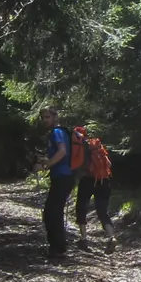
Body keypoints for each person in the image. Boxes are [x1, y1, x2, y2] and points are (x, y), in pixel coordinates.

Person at [36, 107, 76, 260]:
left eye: (48, 117)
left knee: (52, 213)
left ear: (55, 117)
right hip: (65, 177)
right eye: (43, 118)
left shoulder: (57, 132)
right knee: (54, 212)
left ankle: (57, 249)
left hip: (63, 177)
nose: (45, 120)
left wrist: (45, 165)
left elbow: (62, 152)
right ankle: (58, 247)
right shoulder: (62, 132)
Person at [73, 125, 116, 252]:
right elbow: (109, 164)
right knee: (102, 212)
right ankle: (111, 237)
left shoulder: (82, 147)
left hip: (87, 180)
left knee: (81, 207)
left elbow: (76, 164)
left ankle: (84, 238)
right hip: (104, 180)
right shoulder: (97, 146)